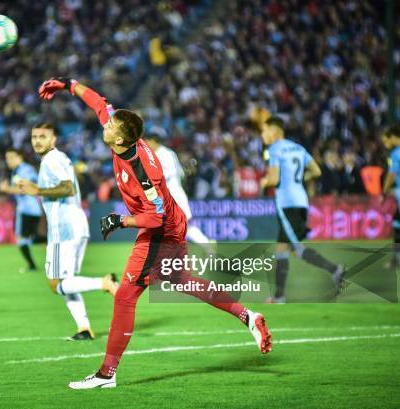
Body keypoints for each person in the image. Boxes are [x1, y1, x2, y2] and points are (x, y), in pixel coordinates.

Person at [38, 77, 272, 389]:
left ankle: (107, 375)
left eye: (110, 128)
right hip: (172, 224)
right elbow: (98, 102)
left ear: (121, 140)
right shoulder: (123, 137)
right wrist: (68, 85)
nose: (104, 127)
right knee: (184, 281)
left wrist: (121, 221)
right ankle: (248, 316)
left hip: (162, 231)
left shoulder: (140, 170)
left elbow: (154, 216)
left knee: (125, 297)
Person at [18, 123, 119, 341]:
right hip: (75, 226)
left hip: (63, 230)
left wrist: (38, 190)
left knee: (56, 284)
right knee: (67, 282)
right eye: (34, 136)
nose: (37, 140)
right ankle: (84, 328)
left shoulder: (52, 159)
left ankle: (104, 283)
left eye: (43, 136)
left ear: (53, 139)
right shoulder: (58, 159)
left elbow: (68, 188)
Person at [260, 117, 346, 303]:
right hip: (301, 201)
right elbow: (316, 171)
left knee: (296, 249)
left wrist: (264, 181)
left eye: (265, 131)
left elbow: (273, 180)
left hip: (287, 203)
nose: (263, 135)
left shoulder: (275, 149)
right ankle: (279, 296)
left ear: (275, 131)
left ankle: (335, 270)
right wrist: (297, 179)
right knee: (283, 247)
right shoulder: (298, 148)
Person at [144, 131, 215, 254]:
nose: (146, 145)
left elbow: (171, 173)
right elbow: (181, 173)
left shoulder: (165, 153)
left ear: (153, 141)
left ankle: (206, 247)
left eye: (147, 142)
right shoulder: (159, 154)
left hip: (175, 196)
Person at [0, 148, 42, 272]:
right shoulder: (17, 171)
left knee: (23, 239)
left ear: (20, 157)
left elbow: (28, 188)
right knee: (26, 239)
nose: (8, 160)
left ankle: (32, 266)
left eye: (11, 157)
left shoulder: (25, 169)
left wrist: (8, 189)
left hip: (29, 209)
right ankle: (33, 265)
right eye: (7, 158)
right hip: (26, 209)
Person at [382, 124, 400, 268]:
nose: (385, 144)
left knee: (397, 226)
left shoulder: (396, 153)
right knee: (397, 223)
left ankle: (396, 259)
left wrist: (384, 190)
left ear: (393, 137)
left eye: (386, 140)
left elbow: (392, 176)